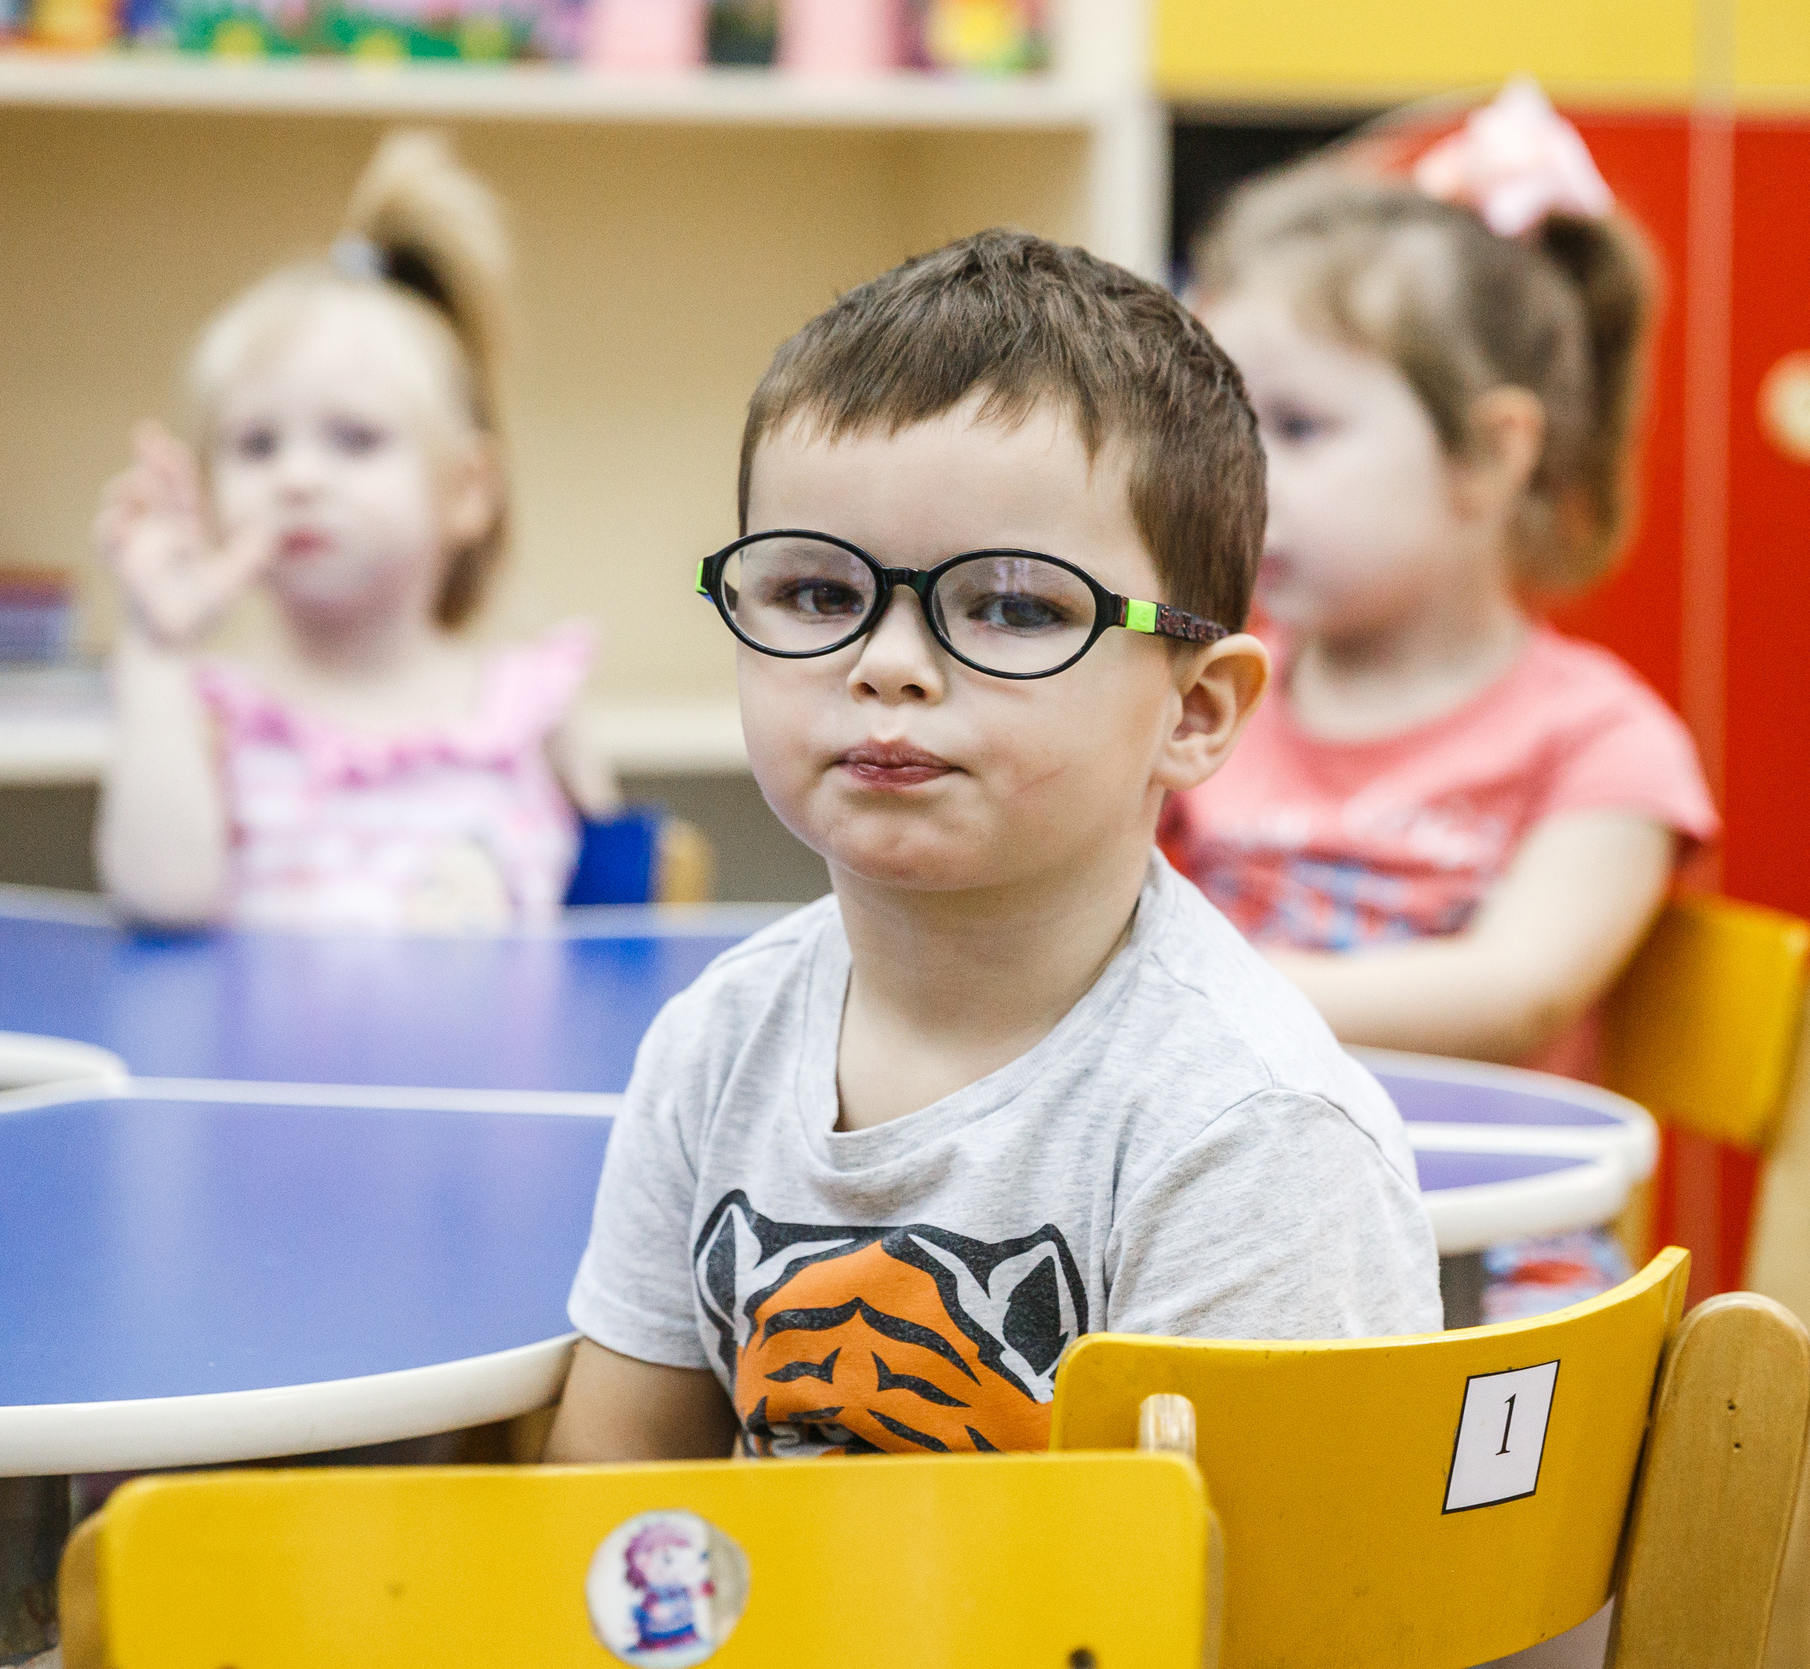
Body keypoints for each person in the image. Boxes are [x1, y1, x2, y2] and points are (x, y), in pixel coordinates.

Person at [545, 229, 1441, 1463]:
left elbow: (1261, 1614)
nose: (888, 665)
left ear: (1194, 712)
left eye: (1013, 608)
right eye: (815, 593)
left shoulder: (1246, 1132)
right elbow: (612, 1514)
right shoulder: (714, 1046)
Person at [1165, 82, 1719, 1327]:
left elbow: (1516, 990)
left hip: (1482, 1265)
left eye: (1298, 427)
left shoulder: (1601, 741)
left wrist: (1180, 997)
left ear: (1489, 453)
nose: (1241, 479)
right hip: (1232, 1221)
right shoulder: (1214, 687)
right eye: (1225, 427)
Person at [93, 131, 615, 932]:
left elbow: (612, 946)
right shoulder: (212, 716)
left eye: (354, 439)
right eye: (256, 444)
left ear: (467, 490)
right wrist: (157, 652)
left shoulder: (534, 710)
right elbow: (163, 897)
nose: (297, 478)